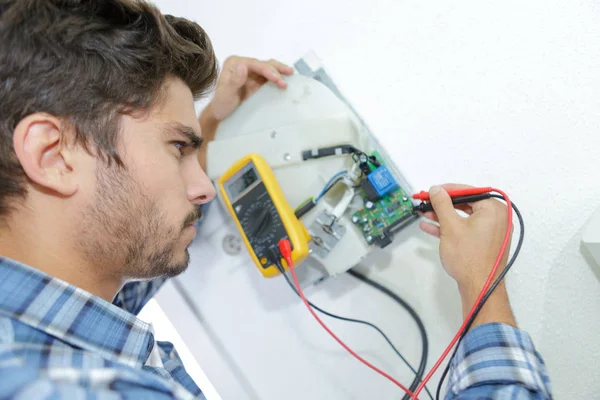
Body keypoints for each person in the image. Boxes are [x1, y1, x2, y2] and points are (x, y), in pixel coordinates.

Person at [0, 1, 551, 399]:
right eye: (176, 147)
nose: (204, 187)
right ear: (53, 154)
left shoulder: (49, 315)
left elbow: (136, 233)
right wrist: (484, 290)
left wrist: (208, 123)